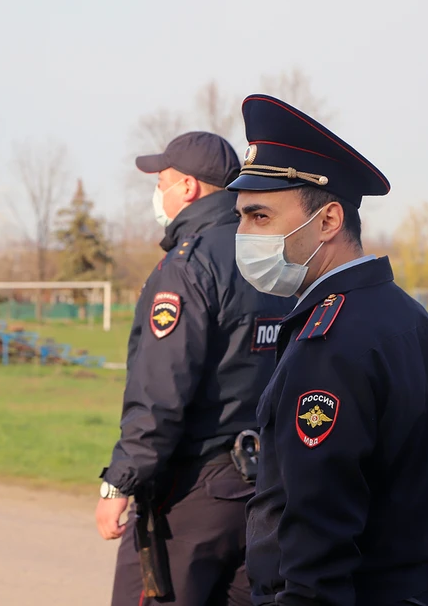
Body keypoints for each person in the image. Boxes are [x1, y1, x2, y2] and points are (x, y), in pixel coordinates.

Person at [226, 95, 428, 606]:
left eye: (260, 215)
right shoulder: (416, 324)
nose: (244, 234)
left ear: (328, 220)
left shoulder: (331, 343)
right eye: (242, 217)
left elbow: (318, 528)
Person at [96, 131, 294, 606]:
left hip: (194, 490)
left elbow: (161, 391)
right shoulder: (273, 256)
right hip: (265, 487)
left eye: (161, 181)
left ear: (188, 187)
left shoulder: (189, 266)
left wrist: (119, 482)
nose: (156, 194)